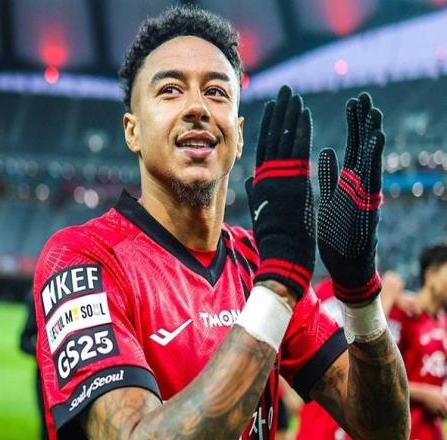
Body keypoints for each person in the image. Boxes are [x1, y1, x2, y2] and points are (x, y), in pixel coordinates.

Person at [33, 6, 409, 439]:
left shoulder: (260, 262)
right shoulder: (82, 258)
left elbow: (383, 430)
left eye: (216, 92)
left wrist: (360, 294)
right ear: (132, 131)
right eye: (170, 90)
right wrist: (276, 290)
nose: (197, 107)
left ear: (239, 133)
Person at [295, 272, 411, 440]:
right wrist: (385, 301)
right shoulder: (325, 292)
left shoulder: (394, 302)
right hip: (321, 425)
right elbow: (351, 343)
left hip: (360, 423)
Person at [388, 243, 447, 440]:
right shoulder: (402, 314)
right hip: (400, 430)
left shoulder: (443, 322)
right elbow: (378, 379)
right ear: (431, 276)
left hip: (431, 432)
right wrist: (424, 394)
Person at [20, 290, 48, 439]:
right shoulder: (38, 297)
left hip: (75, 377)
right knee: (47, 427)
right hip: (45, 378)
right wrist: (44, 354)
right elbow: (23, 341)